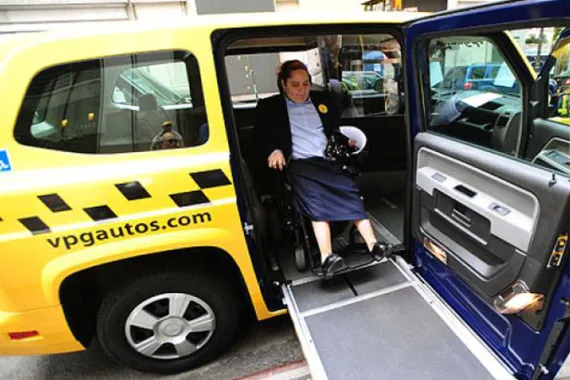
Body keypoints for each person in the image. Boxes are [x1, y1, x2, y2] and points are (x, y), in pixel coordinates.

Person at [255, 59, 387, 279]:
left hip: (327, 161)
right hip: (300, 164)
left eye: (305, 84)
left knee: (350, 192)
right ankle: (327, 257)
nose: (301, 90)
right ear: (283, 85)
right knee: (317, 203)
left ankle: (374, 245)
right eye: (295, 85)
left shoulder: (322, 101)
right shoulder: (271, 108)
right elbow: (260, 139)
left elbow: (332, 132)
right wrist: (273, 151)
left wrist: (346, 142)